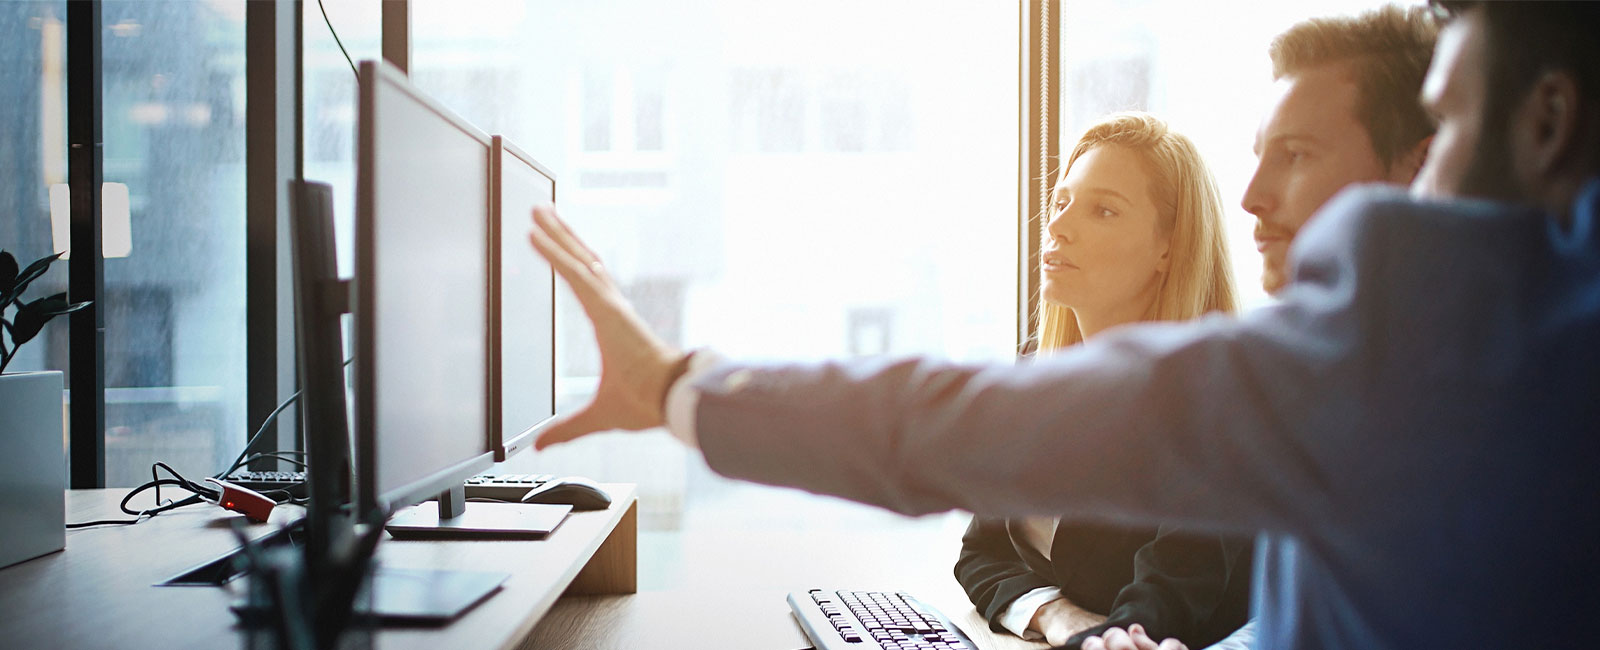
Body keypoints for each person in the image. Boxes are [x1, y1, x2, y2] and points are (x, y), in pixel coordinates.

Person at [526, 2, 1600, 648]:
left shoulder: (1410, 332)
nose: (1255, 198)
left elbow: (964, 426)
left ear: (1546, 121)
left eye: (1448, 121)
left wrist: (679, 387)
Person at [1083, 6, 1441, 649]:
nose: (1250, 195)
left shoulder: (1488, 404)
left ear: (1416, 169)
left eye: (1295, 155)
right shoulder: (1323, 374)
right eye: (1258, 156)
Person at [954, 113, 1252, 650]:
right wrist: (1057, 615)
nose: (1059, 226)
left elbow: (1170, 597)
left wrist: (1104, 636)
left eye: (1104, 210)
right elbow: (980, 553)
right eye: (1062, 201)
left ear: (1169, 246)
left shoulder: (1221, 402)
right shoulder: (1034, 374)